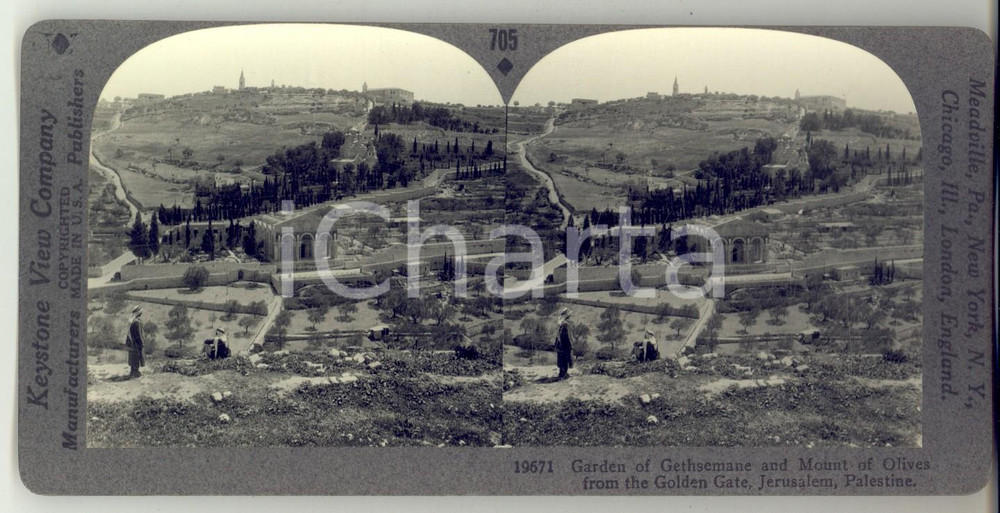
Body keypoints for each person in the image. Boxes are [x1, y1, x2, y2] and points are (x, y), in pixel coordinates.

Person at [125, 305, 145, 378]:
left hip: (131, 343)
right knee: (137, 357)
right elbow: (139, 334)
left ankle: (132, 371)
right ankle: (136, 373)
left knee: (132, 357)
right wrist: (142, 342)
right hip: (137, 343)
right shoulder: (137, 322)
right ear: (139, 313)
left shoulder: (131, 320)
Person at [554, 308, 574, 380]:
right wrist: (570, 345)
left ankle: (561, 374)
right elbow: (567, 336)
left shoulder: (561, 324)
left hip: (560, 345)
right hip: (565, 345)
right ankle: (563, 375)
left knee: (561, 359)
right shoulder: (566, 324)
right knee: (566, 359)